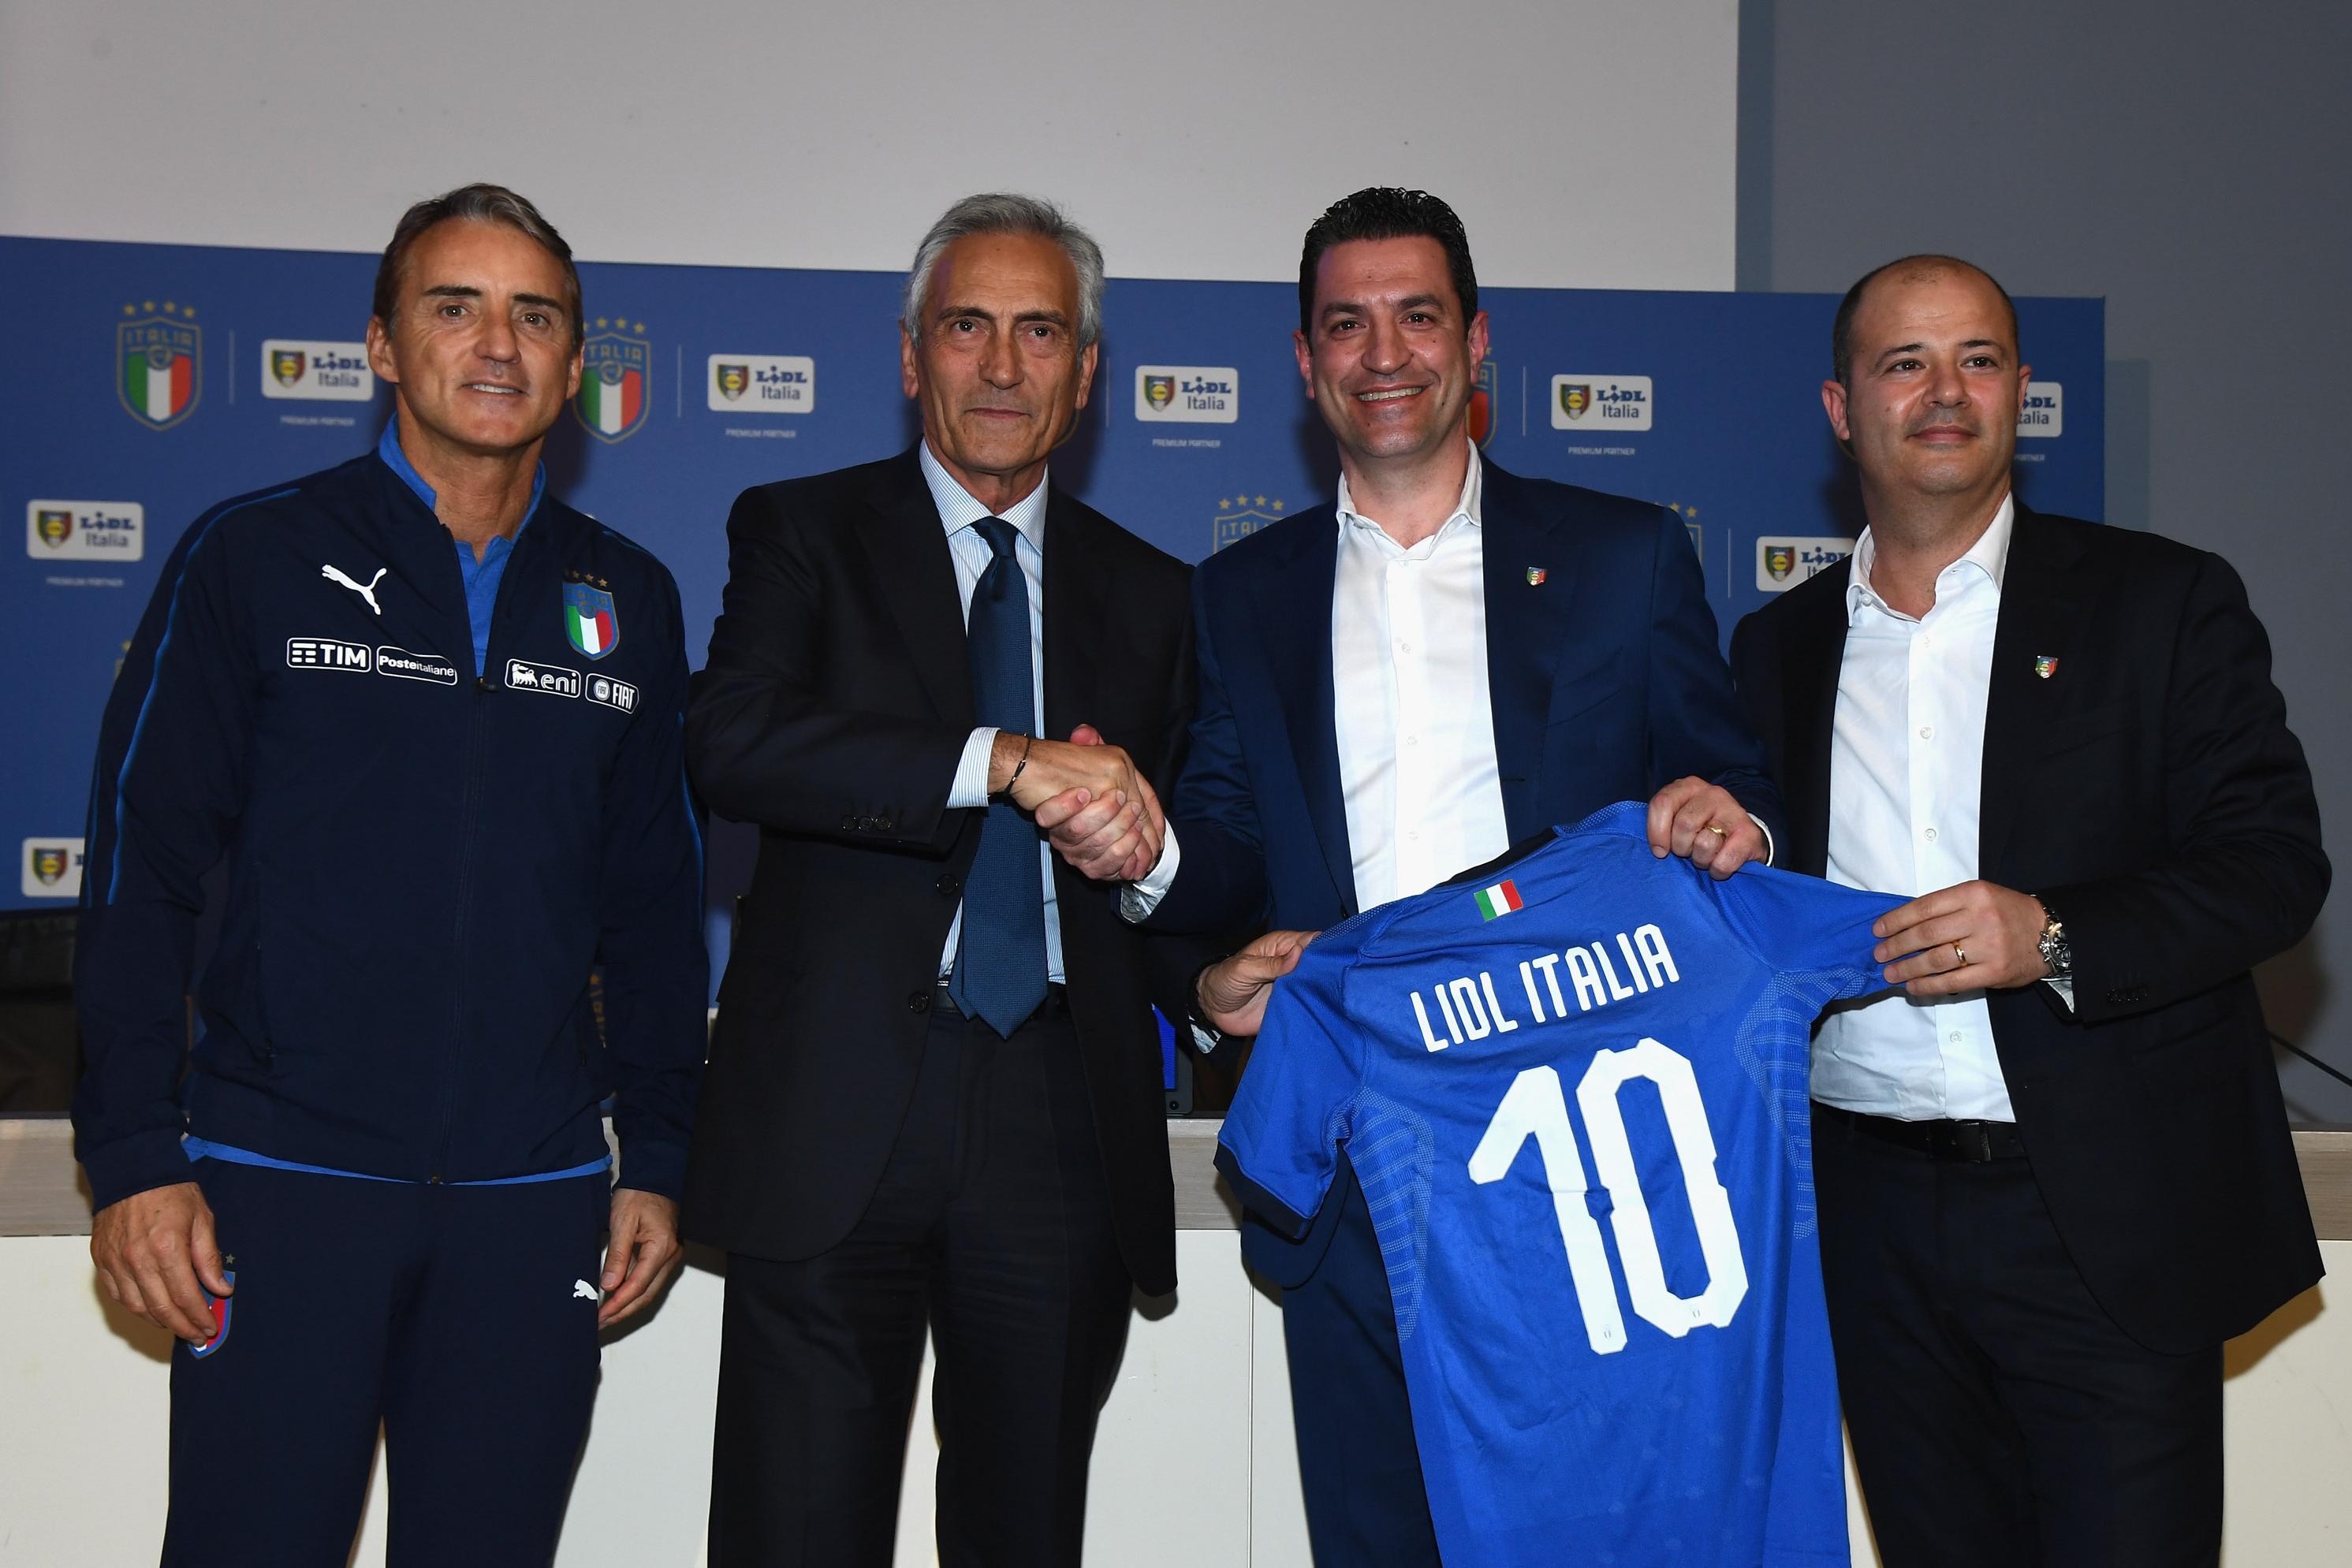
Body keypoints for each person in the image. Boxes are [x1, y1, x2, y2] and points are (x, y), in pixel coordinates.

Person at [1044, 186, 1783, 1566]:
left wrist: (1730, 822)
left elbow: (1733, 787)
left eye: (1417, 316)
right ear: (1307, 359)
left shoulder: (1627, 557)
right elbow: (1220, 841)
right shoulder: (1240, 592)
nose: (1385, 353)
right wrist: (1174, 925)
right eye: (1348, 324)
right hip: (1364, 1173)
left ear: (1478, 340)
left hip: (1594, 1178)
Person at [73, 183, 708, 1566]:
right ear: (378, 345)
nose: (497, 343)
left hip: (530, 1199)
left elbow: (657, 905)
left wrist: (656, 1154)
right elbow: (142, 868)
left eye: (535, 315)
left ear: (577, 365)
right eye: (455, 305)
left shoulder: (629, 596)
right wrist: (130, 1153)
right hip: (278, 1181)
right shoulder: (254, 554)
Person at [1729, 254, 2326, 1567]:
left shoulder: (2163, 603)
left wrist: (2050, 934)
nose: (1945, 391)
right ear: (1841, 408)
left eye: (1979, 360)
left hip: (2100, 1219)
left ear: (2020, 394)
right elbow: (1755, 890)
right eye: (1905, 363)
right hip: (1871, 1224)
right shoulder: (1774, 649)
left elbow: (2276, 864)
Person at [681, 193, 1198, 1568]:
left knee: (1025, 1534)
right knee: (795, 1535)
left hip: (1058, 1125)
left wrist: (1149, 861)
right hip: (836, 1114)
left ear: (1087, 377)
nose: (1003, 366)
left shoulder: (1157, 596)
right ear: (912, 355)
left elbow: (1200, 854)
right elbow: (734, 741)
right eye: (968, 327)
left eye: (1042, 333)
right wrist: (1002, 760)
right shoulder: (799, 531)